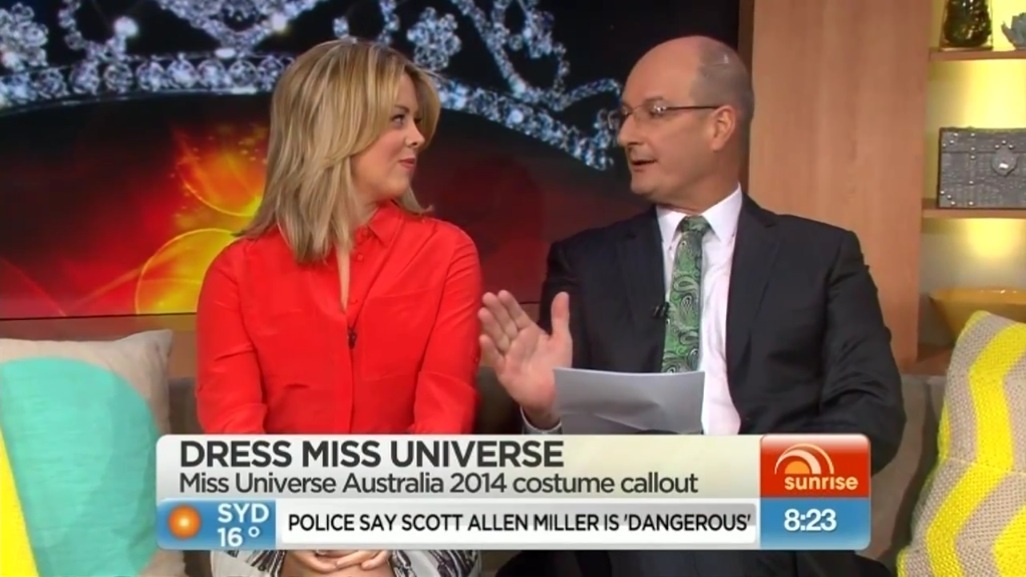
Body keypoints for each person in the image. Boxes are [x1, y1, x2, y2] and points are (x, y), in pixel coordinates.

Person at [479, 36, 904, 577]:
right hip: (622, 529)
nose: (627, 135)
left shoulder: (820, 256)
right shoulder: (585, 262)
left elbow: (872, 409)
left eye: (655, 112)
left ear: (720, 125)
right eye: (625, 115)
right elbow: (557, 474)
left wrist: (750, 486)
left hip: (768, 523)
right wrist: (546, 413)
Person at [196, 39, 482, 577]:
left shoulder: (448, 254)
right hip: (267, 503)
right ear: (335, 128)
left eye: (416, 120)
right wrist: (292, 527)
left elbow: (443, 415)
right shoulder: (235, 272)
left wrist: (381, 526)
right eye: (397, 119)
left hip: (417, 500)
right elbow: (234, 433)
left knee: (359, 570)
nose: (417, 137)